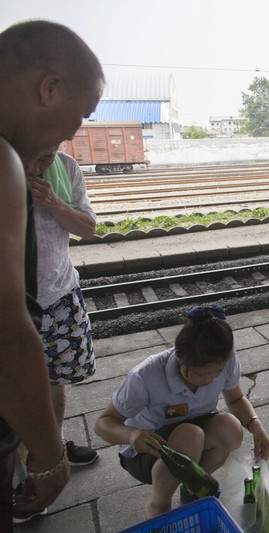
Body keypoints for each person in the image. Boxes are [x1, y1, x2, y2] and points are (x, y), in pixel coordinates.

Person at [0, 20, 104, 529]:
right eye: (80, 115)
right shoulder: (3, 161)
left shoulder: (49, 163)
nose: (73, 133)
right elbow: (4, 326)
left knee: (57, 377)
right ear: (50, 88)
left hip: (59, 294)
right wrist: (48, 457)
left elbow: (89, 227)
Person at [94, 305, 269, 518]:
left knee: (231, 428)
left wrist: (256, 426)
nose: (211, 380)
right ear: (179, 358)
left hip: (191, 434)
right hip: (147, 451)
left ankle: (192, 488)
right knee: (190, 435)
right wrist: (131, 434)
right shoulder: (145, 377)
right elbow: (103, 423)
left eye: (218, 371)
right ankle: (158, 504)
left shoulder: (227, 361)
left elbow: (235, 399)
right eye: (202, 374)